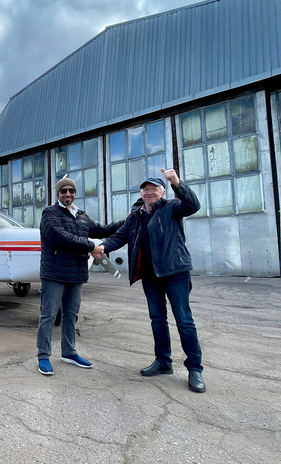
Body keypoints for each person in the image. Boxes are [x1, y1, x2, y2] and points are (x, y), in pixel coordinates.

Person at [92, 168, 206, 393]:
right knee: (157, 320)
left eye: (154, 188)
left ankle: (195, 369)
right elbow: (120, 236)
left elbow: (193, 205)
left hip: (175, 272)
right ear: (141, 193)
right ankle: (163, 361)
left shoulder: (172, 207)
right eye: (146, 189)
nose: (149, 192)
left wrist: (177, 182)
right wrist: (102, 247)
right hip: (150, 276)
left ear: (163, 192)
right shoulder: (135, 216)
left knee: (184, 321)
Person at [37, 177, 124, 376]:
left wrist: (127, 220)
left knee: (71, 315)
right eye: (63, 191)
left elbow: (103, 230)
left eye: (71, 191)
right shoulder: (50, 213)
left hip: (76, 274)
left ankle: (69, 352)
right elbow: (60, 236)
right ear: (58, 193)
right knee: (48, 315)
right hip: (54, 273)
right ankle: (43, 355)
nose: (68, 194)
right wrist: (92, 246)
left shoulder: (82, 216)